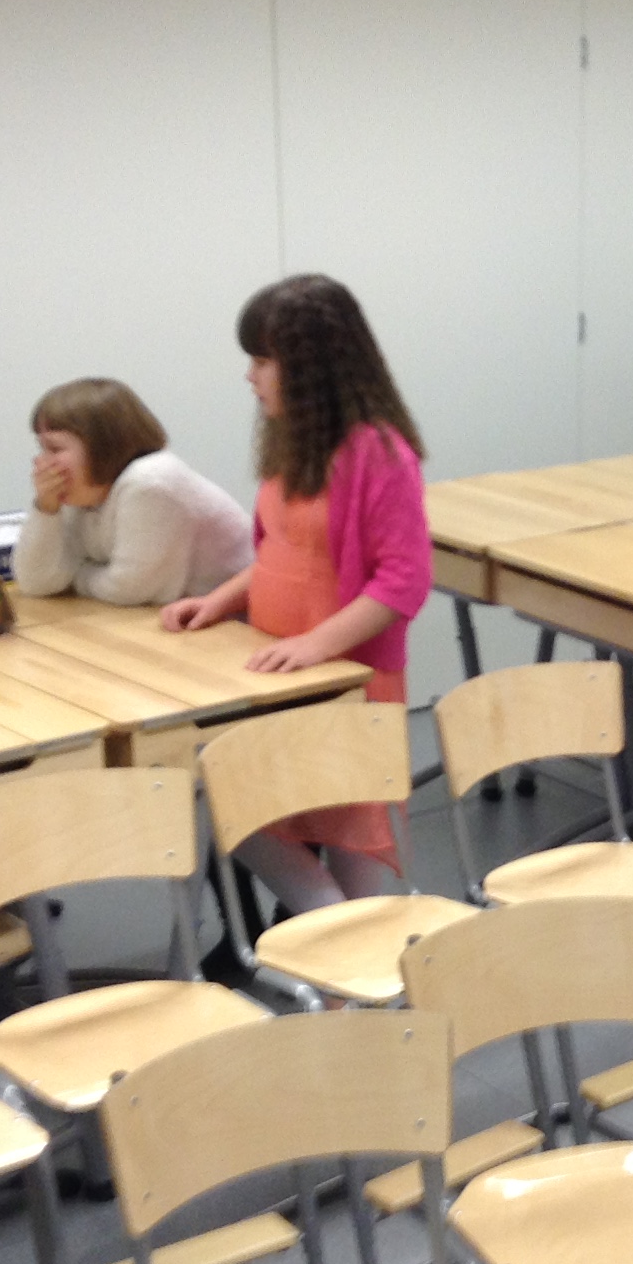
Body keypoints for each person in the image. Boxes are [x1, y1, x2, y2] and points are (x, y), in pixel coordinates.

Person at [162, 275, 431, 915]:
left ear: (312, 368)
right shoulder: (294, 443)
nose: (250, 376)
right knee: (244, 801)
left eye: (263, 361)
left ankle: (340, 948)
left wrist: (317, 645)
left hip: (347, 679)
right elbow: (282, 556)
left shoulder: (380, 453)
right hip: (285, 676)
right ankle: (330, 933)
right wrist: (222, 600)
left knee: (346, 830)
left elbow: (402, 581)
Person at [13, 377, 251, 607]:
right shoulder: (84, 492)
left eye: (54, 449)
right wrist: (46, 509)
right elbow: (36, 582)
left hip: (237, 620)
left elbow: (130, 589)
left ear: (102, 447)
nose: (41, 463)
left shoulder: (151, 482)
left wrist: (76, 576)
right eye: (41, 448)